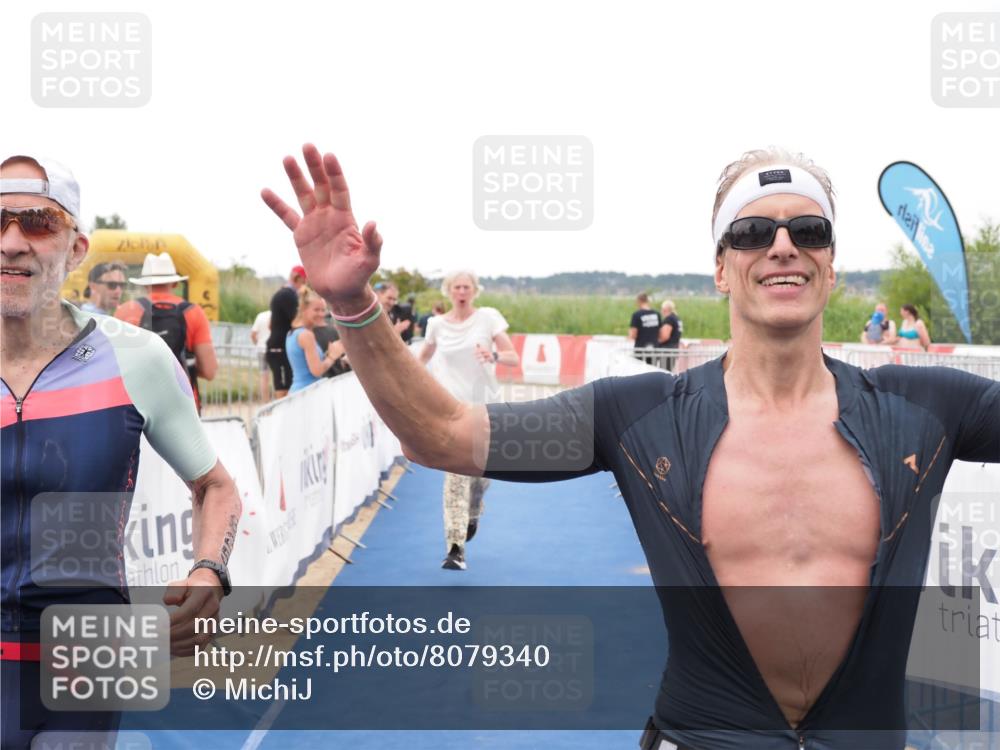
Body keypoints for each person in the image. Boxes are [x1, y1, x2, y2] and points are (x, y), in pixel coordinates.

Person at [262, 144, 999, 750]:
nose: (782, 247)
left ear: (831, 266)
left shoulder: (926, 408)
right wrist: (355, 307)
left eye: (808, 231)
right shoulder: (641, 414)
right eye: (751, 233)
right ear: (720, 267)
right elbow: (445, 436)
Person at [2, 154, 241, 749]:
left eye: (37, 222)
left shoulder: (136, 356)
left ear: (76, 248)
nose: (11, 243)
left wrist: (210, 568)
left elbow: (216, 486)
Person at [417, 270, 519, 570]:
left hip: (486, 410)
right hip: (450, 411)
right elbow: (420, 360)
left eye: (467, 287)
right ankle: (455, 547)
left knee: (481, 479)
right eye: (457, 287)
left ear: (475, 290)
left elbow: (512, 356)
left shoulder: (488, 318)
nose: (462, 291)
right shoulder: (436, 324)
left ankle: (473, 514)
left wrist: (494, 356)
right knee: (456, 479)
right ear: (449, 291)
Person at [114, 253, 218, 413]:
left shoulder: (125, 311)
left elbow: (116, 365)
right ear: (175, 283)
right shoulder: (194, 313)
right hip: (183, 405)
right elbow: (209, 371)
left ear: (144, 284)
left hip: (137, 405)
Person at [285, 286, 344, 392]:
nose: (321, 314)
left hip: (300, 392)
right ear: (303, 309)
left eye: (323, 310)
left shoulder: (292, 332)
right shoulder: (306, 335)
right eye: (316, 310)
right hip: (307, 393)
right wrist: (332, 356)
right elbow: (317, 371)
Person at [266, 265, 308, 399]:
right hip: (279, 349)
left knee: (284, 386)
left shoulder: (281, 293)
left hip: (277, 347)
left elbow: (270, 325)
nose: (304, 286)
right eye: (304, 282)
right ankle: (282, 418)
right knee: (283, 389)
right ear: (298, 278)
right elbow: (297, 321)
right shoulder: (288, 295)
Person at [629, 292, 661, 363]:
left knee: (640, 371)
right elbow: (660, 332)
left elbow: (633, 335)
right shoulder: (656, 314)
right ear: (647, 301)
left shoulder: (637, 315)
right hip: (654, 349)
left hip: (641, 350)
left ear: (639, 301)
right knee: (653, 371)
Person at [250, 308, 272, 399]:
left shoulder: (261, 315)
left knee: (264, 377)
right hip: (274, 349)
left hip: (261, 349)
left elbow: (253, 334)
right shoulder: (278, 315)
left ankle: (265, 402)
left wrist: (257, 343)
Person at [657, 299, 683, 372]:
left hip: (666, 351)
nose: (661, 311)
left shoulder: (669, 319)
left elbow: (665, 336)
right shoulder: (677, 318)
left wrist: (656, 343)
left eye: (662, 309)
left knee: (664, 373)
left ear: (665, 309)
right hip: (674, 349)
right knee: (669, 372)